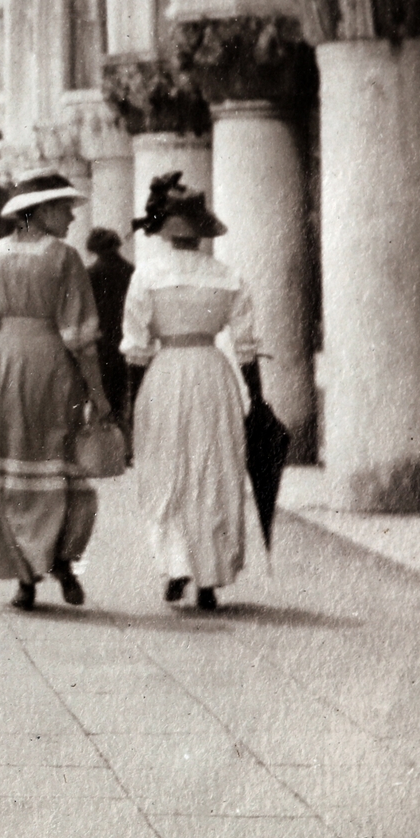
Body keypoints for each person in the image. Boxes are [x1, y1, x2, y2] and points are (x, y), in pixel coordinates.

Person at [0, 173, 110, 611]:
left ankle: (24, 577)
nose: (71, 216)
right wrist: (98, 393)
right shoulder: (64, 258)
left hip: (0, 367)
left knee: (10, 469)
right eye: (65, 208)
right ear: (43, 211)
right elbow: (80, 336)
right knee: (58, 460)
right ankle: (62, 558)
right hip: (51, 367)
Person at [122, 173, 257, 614]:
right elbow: (246, 346)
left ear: (165, 233)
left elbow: (136, 346)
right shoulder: (228, 277)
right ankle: (209, 577)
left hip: (165, 373)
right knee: (214, 469)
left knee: (168, 469)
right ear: (202, 233)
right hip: (212, 374)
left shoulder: (147, 276)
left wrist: (131, 403)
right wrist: (256, 398)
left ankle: (177, 563)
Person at [85, 228, 134, 427]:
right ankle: (123, 442)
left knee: (101, 396)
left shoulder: (90, 274)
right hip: (125, 339)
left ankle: (103, 442)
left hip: (101, 342)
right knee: (122, 396)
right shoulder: (131, 270)